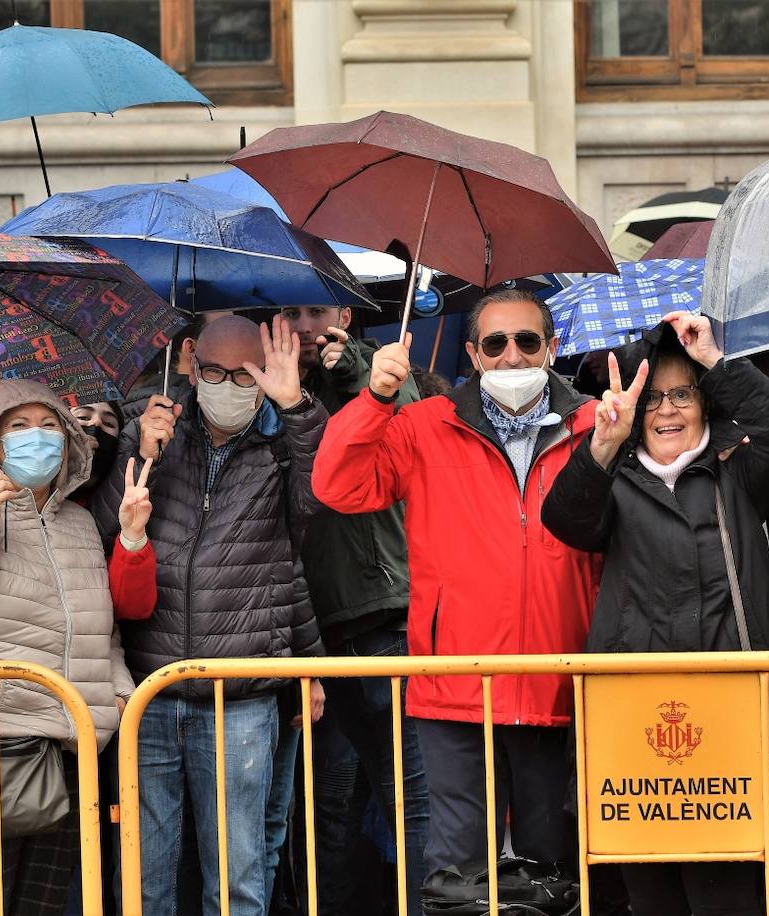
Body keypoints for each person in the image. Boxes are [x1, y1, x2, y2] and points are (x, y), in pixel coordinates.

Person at [312, 289, 600, 876]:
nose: (512, 356)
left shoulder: (598, 424)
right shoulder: (422, 425)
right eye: (496, 343)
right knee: (459, 872)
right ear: (472, 353)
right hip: (456, 690)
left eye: (527, 341)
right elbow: (337, 485)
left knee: (557, 869)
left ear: (552, 347)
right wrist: (375, 396)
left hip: (562, 682)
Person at [541, 313, 769, 914]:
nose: (666, 410)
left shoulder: (740, 471)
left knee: (730, 897)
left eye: (682, 394)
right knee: (652, 897)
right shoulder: (615, 475)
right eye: (653, 397)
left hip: (733, 721)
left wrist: (715, 361)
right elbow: (566, 521)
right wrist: (602, 444)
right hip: (633, 731)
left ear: (705, 403)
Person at [92, 315, 328, 916]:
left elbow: (321, 499)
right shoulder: (160, 432)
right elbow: (100, 532)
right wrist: (138, 452)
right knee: (145, 881)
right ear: (192, 365)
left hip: (240, 696)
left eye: (244, 375)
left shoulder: (283, 447)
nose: (227, 385)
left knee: (238, 878)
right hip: (152, 688)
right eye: (215, 372)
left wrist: (296, 406)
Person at [0, 378, 146, 916]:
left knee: (42, 907)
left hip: (66, 746)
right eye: (18, 427)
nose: (37, 438)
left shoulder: (79, 523)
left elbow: (102, 628)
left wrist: (118, 693)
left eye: (50, 425)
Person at [280, 303, 429, 914]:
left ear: (343, 311)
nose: (307, 324)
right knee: (331, 801)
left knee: (413, 799)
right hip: (315, 631)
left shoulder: (381, 370)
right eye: (293, 312)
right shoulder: (279, 382)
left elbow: (408, 430)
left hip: (385, 615)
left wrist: (354, 377)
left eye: (317, 310)